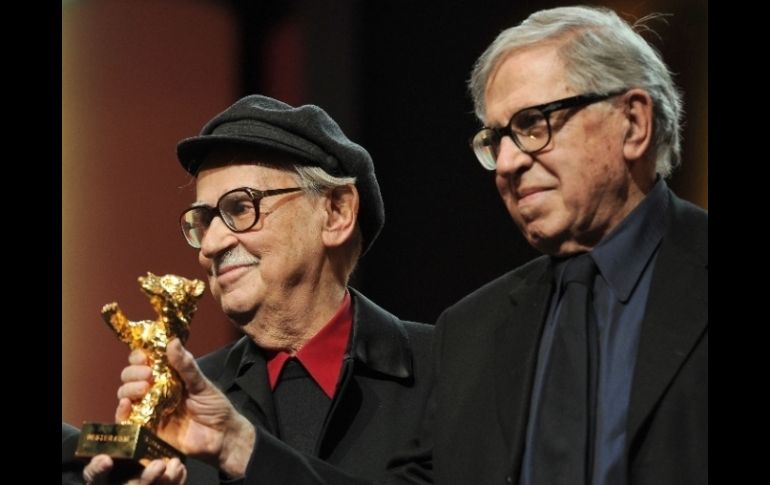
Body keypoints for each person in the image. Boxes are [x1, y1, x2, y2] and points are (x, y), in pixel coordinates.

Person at [90, 5, 708, 484]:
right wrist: (237, 445)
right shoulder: (479, 331)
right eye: (496, 138)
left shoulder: (439, 354)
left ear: (633, 122)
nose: (509, 163)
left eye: (533, 125)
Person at [81, 95, 434, 484]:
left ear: (335, 212)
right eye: (203, 220)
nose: (211, 245)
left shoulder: (448, 370)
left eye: (239, 208)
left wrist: (241, 448)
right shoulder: (182, 408)